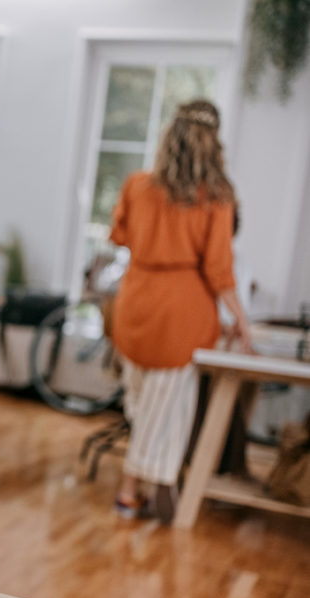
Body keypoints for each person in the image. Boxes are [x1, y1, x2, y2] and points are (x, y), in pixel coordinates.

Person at [108, 99, 252, 523]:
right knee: (165, 408)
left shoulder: (137, 185)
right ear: (214, 144)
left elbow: (119, 236)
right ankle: (135, 487)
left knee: (140, 403)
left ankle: (149, 483)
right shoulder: (217, 198)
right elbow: (219, 271)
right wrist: (242, 321)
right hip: (182, 313)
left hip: (134, 302)